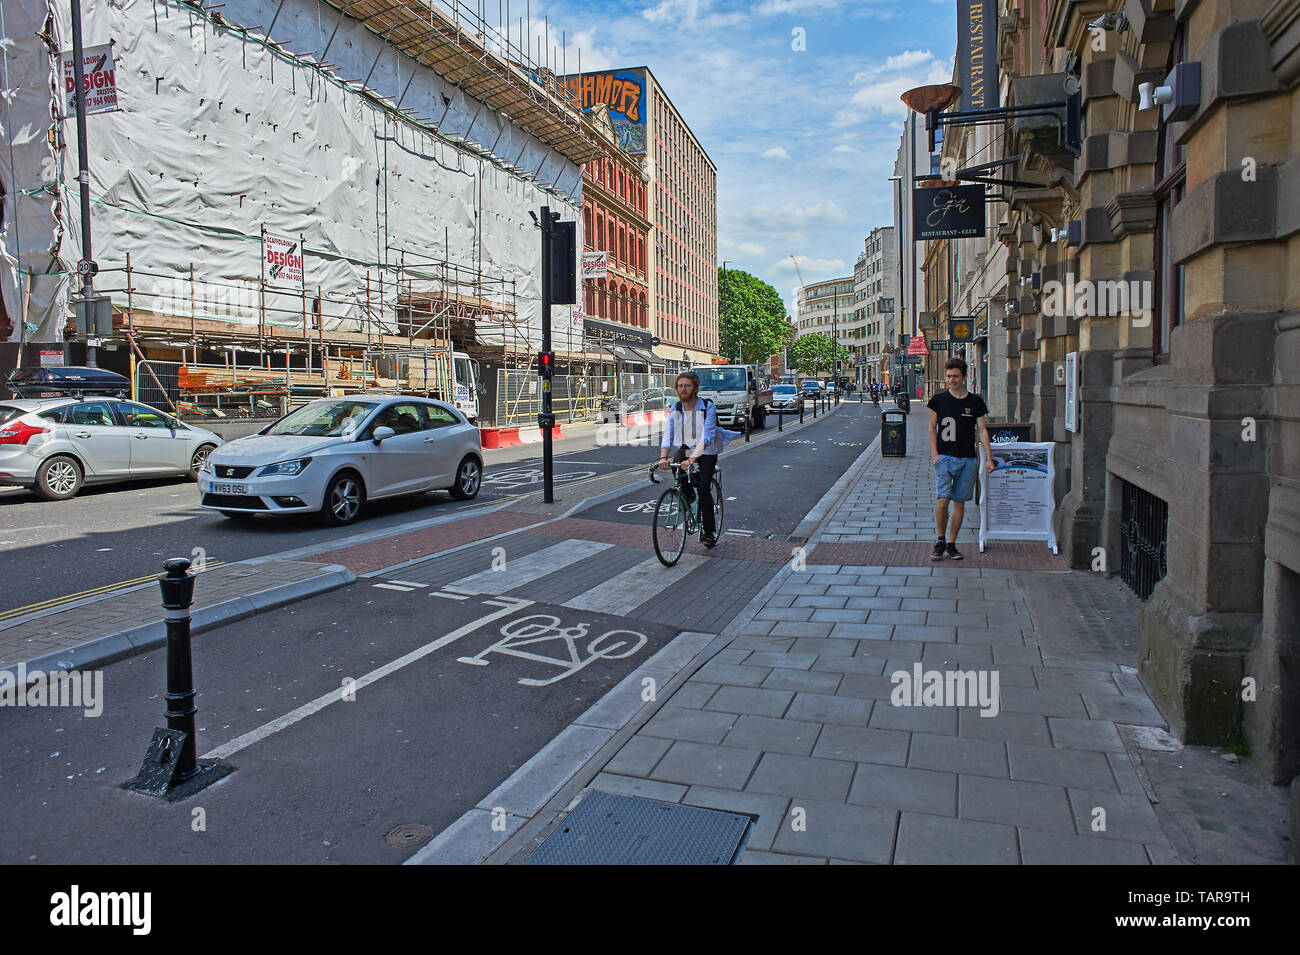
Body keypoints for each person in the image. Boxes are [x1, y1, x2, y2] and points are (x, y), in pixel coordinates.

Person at [657, 371, 736, 548]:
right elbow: (668, 434)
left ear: (695, 389)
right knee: (676, 463)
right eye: (680, 386)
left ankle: (708, 531)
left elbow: (706, 437)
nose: (683, 389)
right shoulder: (676, 408)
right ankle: (688, 493)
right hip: (686, 447)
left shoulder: (707, 407)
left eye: (687, 385)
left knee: (704, 488)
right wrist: (663, 457)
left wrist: (692, 460)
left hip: (706, 451)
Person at [927, 357, 993, 560]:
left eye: (955, 376)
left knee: (959, 503)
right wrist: (935, 454)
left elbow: (982, 429)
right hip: (945, 457)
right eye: (948, 376)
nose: (951, 380)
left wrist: (989, 458)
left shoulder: (975, 402)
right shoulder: (938, 400)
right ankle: (940, 539)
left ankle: (952, 543)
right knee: (943, 500)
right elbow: (931, 428)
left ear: (964, 377)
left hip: (967, 459)